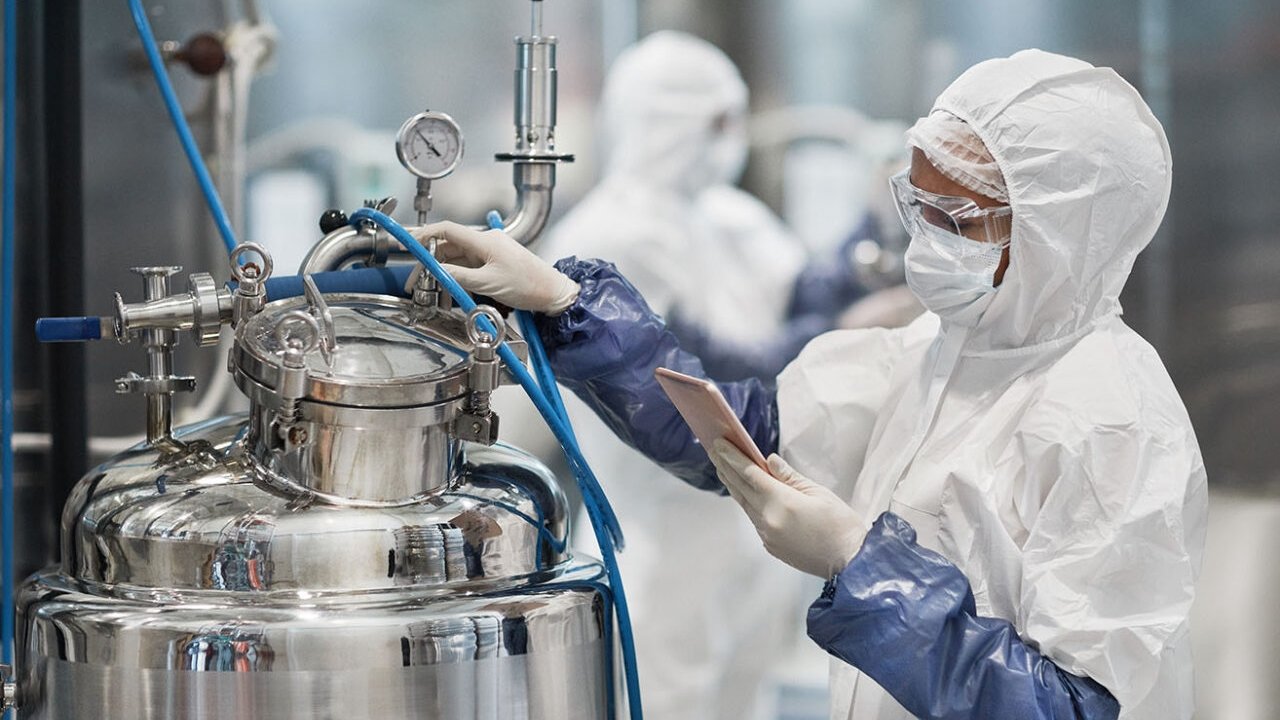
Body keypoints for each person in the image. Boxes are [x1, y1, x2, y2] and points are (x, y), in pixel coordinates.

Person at [418, 49, 1207, 720]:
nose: (926, 243)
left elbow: (1072, 706)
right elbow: (745, 433)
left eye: (958, 221)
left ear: (1058, 236)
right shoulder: (939, 354)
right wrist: (568, 303)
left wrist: (860, 565)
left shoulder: (1114, 422)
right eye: (917, 206)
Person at [538, 31, 856, 719]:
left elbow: (804, 296)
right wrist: (835, 333)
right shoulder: (608, 234)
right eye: (717, 122)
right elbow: (692, 376)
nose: (730, 140)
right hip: (661, 534)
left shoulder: (728, 217)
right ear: (667, 122)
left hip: (752, 529)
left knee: (746, 696)